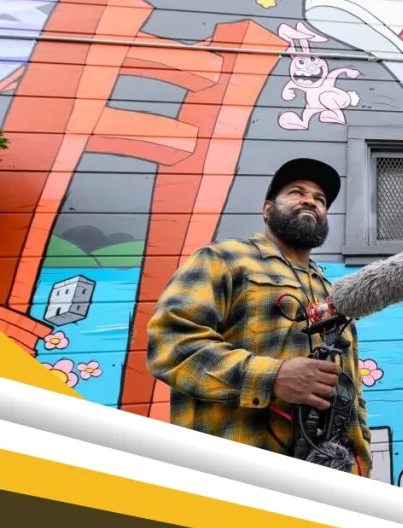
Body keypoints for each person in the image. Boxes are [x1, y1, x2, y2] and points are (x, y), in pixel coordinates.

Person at [146, 157, 372, 477]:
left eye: (320, 199)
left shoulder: (332, 293)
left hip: (328, 478)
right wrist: (272, 378)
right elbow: (170, 344)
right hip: (233, 474)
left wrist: (361, 460)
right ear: (267, 209)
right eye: (296, 192)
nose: (310, 200)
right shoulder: (223, 259)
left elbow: (352, 390)